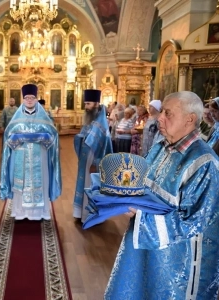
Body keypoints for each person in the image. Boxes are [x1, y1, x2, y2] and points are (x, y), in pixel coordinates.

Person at [105, 91, 219, 299]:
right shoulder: (161, 147)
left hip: (178, 266)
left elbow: (194, 221)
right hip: (146, 249)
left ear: (190, 119)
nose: (159, 118)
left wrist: (140, 215)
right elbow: (143, 181)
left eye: (168, 113)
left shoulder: (203, 163)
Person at [0, 84, 62, 220]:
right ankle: (20, 213)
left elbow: (53, 136)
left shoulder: (44, 118)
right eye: (26, 98)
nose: (29, 100)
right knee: (21, 183)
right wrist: (18, 138)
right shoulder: (16, 119)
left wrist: (44, 138)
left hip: (41, 156)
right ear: (23, 99)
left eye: (32, 98)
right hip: (20, 157)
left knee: (41, 182)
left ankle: (39, 213)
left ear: (36, 99)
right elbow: (8, 138)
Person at [73, 89, 113, 222]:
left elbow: (104, 146)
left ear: (96, 104)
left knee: (91, 185)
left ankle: (91, 215)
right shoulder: (90, 120)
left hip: (94, 162)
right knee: (83, 183)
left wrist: (96, 163)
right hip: (85, 159)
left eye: (88, 104)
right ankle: (80, 213)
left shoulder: (101, 123)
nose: (86, 107)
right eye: (85, 104)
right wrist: (79, 138)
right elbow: (85, 136)